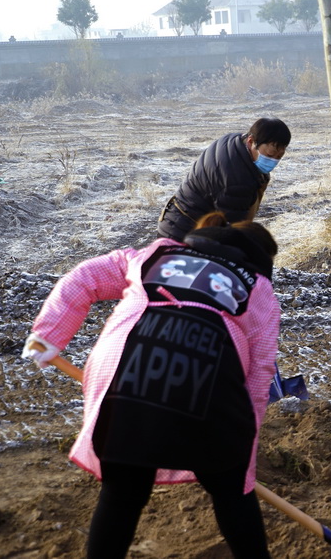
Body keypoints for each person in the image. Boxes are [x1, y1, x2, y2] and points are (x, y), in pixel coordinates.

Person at [21, 212, 281, 558]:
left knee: (123, 493)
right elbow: (260, 371)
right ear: (260, 259)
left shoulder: (155, 253)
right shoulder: (259, 287)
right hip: (208, 386)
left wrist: (49, 334)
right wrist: (242, 454)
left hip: (125, 372)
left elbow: (84, 276)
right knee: (232, 493)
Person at [158, 117, 291, 242]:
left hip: (177, 217)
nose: (274, 161)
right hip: (183, 233)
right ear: (251, 142)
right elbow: (232, 232)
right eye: (270, 155)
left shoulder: (236, 141)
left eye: (279, 156)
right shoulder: (237, 180)